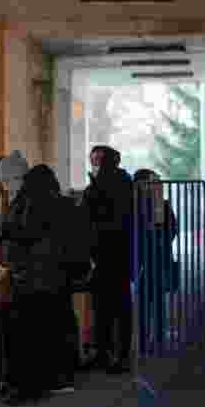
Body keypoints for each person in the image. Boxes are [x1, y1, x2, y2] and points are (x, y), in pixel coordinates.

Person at [0, 164, 72, 404]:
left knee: (26, 333)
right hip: (56, 277)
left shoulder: (24, 204)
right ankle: (54, 378)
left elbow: (16, 234)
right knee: (52, 330)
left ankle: (26, 386)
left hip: (28, 278)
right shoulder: (62, 204)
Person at [82, 145, 134, 373]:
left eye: (97, 160)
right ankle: (110, 353)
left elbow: (91, 212)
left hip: (109, 252)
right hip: (113, 252)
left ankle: (112, 354)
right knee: (109, 306)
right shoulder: (123, 182)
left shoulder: (108, 183)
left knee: (111, 307)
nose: (93, 163)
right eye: (92, 159)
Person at [132, 168, 178, 351]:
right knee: (147, 302)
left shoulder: (161, 205)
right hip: (148, 260)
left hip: (153, 260)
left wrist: (157, 239)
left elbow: (172, 230)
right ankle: (148, 341)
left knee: (153, 301)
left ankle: (155, 340)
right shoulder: (136, 205)